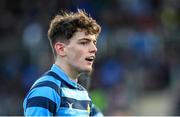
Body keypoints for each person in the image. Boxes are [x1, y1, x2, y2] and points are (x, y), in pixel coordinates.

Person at [23, 9, 103, 116]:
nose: (94, 49)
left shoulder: (83, 94)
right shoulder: (46, 90)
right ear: (61, 49)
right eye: (84, 42)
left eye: (94, 42)